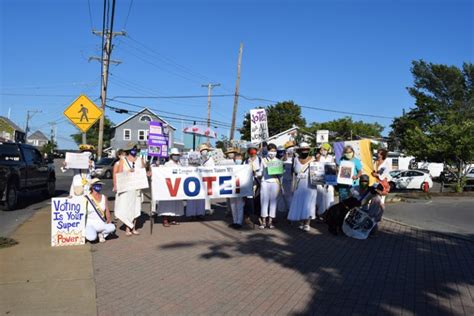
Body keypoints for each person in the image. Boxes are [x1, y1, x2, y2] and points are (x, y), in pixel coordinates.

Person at [114, 144, 145, 236]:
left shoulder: (140, 159)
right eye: (132, 149)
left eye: (135, 148)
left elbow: (143, 172)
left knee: (136, 207)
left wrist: (147, 173)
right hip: (127, 188)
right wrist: (128, 172)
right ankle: (128, 228)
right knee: (128, 208)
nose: (134, 150)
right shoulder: (123, 160)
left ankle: (134, 228)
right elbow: (119, 174)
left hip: (137, 187)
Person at [287, 142, 317, 232]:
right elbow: (293, 172)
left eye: (306, 149)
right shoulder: (295, 159)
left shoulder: (314, 160)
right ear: (299, 150)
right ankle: (301, 222)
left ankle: (307, 223)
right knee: (299, 203)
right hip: (299, 185)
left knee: (309, 204)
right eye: (302, 149)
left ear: (309, 150)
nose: (304, 151)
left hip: (310, 185)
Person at [157, 148, 185, 227]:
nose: (176, 156)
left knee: (176, 203)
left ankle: (173, 219)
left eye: (177, 155)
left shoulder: (180, 164)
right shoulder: (167, 164)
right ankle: (165, 220)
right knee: (167, 204)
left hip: (177, 186)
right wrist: (157, 166)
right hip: (169, 187)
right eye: (175, 155)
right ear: (171, 156)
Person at [186, 144, 213, 220]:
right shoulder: (188, 167)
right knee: (191, 200)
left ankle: (199, 214)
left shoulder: (202, 163)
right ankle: (191, 214)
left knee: (201, 199)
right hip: (191, 184)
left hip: (201, 184)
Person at [84, 178, 115, 243]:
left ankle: (101, 234)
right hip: (90, 223)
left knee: (112, 227)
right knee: (92, 238)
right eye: (97, 184)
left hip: (101, 222)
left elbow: (107, 210)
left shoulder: (104, 197)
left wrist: (108, 219)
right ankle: (94, 233)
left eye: (100, 185)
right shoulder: (86, 198)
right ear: (92, 186)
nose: (99, 186)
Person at [259, 143, 282, 229]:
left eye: (274, 151)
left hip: (274, 182)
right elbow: (260, 172)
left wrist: (280, 171)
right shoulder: (263, 160)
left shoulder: (278, 161)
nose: (273, 152)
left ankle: (271, 221)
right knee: (264, 201)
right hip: (265, 182)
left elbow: (280, 174)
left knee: (273, 202)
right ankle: (264, 221)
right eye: (271, 151)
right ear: (268, 151)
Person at [243, 143, 263, 226]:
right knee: (248, 201)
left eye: (254, 150)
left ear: (257, 151)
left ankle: (258, 216)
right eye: (250, 150)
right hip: (249, 182)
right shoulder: (245, 161)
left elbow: (262, 171)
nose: (252, 152)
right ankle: (247, 216)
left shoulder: (261, 160)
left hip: (258, 182)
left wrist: (257, 173)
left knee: (258, 200)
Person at [316, 143, 335, 218]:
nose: (323, 151)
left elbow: (333, 167)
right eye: (321, 149)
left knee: (329, 195)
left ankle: (327, 213)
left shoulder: (331, 157)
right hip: (319, 178)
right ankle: (319, 213)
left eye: (324, 149)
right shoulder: (318, 156)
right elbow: (316, 164)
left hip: (329, 178)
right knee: (320, 196)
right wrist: (318, 155)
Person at [278, 141, 296, 213]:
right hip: (283, 180)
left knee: (290, 197)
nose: (291, 150)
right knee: (283, 196)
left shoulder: (296, 158)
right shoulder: (282, 159)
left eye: (292, 148)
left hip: (292, 180)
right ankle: (287, 211)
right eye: (288, 148)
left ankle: (291, 212)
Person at [229, 152, 244, 228]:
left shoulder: (244, 167)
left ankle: (239, 222)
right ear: (234, 159)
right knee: (233, 205)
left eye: (240, 158)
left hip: (240, 188)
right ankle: (234, 221)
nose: (238, 160)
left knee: (239, 205)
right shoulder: (231, 167)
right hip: (232, 188)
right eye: (237, 158)